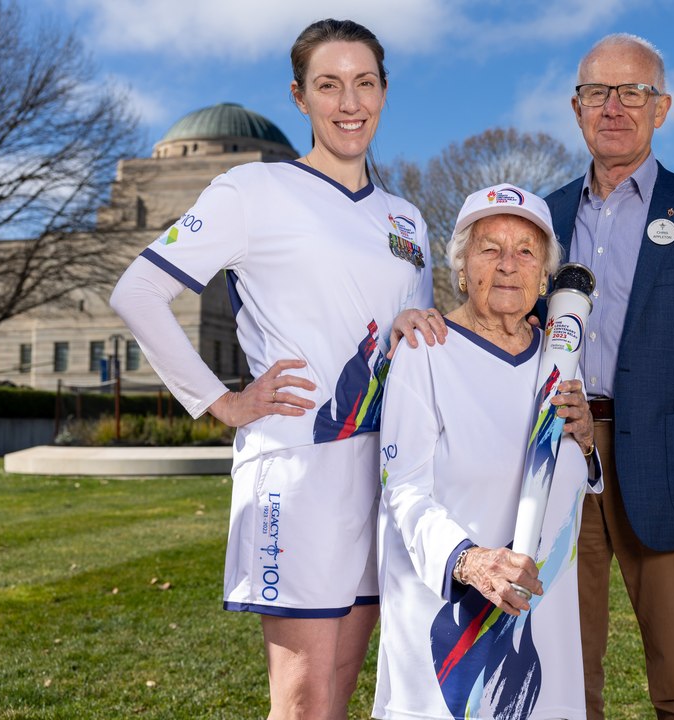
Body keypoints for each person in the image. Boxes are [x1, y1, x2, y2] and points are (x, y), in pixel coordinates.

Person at [109, 19, 443, 719]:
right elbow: (136, 292)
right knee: (299, 702)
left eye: (364, 82)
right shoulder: (251, 190)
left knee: (338, 699)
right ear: (300, 98)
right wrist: (217, 400)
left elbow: (407, 346)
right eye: (328, 84)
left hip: (383, 481)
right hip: (298, 476)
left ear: (384, 92)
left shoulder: (407, 221)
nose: (348, 101)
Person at [543, 34, 674, 719]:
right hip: (558, 463)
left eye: (631, 92)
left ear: (659, 108)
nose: (614, 107)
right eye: (597, 92)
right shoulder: (539, 217)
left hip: (668, 473)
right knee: (562, 677)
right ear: (575, 108)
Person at [372, 184, 601, 720]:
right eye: (488, 248)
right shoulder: (425, 351)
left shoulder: (559, 359)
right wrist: (470, 561)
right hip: (451, 621)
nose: (506, 265)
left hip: (544, 624)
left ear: (544, 276)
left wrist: (588, 443)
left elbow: (577, 486)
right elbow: (402, 490)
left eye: (525, 251)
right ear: (461, 267)